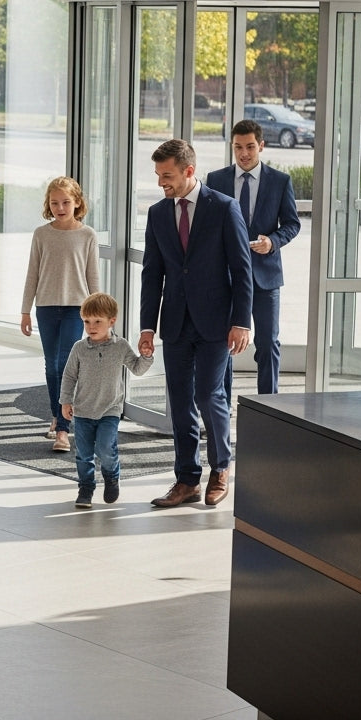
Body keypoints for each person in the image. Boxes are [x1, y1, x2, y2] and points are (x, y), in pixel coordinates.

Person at [138, 139, 252, 509]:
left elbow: (241, 268)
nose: (161, 183)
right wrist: (146, 328)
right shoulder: (157, 214)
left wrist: (241, 321)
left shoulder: (224, 208)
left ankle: (221, 468)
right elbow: (152, 274)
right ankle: (187, 479)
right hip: (175, 323)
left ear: (189, 171)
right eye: (158, 175)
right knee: (180, 401)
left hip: (216, 323)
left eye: (167, 175)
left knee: (208, 394)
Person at [205, 119, 301, 397]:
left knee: (268, 343)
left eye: (249, 147)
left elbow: (292, 224)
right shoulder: (216, 179)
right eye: (238, 147)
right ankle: (220, 406)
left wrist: (273, 242)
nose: (244, 153)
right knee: (224, 344)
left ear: (261, 145)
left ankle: (268, 408)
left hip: (265, 276)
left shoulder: (280, 181)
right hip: (225, 277)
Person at [19, 176, 100, 452]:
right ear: (48, 204)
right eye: (55, 203)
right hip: (46, 308)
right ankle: (57, 415)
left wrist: (97, 316)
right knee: (51, 365)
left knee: (65, 364)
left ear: (78, 202)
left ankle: (63, 431)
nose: (60, 207)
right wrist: (25, 311)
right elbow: (32, 274)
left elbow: (93, 278)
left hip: (76, 309)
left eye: (66, 202)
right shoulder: (42, 234)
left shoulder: (87, 235)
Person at [59, 293, 153, 509]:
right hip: (82, 411)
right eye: (86, 322)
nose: (91, 327)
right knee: (83, 454)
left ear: (112, 321)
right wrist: (65, 401)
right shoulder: (79, 348)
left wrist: (146, 356)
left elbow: (137, 369)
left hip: (110, 410)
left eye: (97, 321)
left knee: (105, 448)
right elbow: (69, 376)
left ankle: (111, 475)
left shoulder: (120, 347)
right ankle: (86, 487)